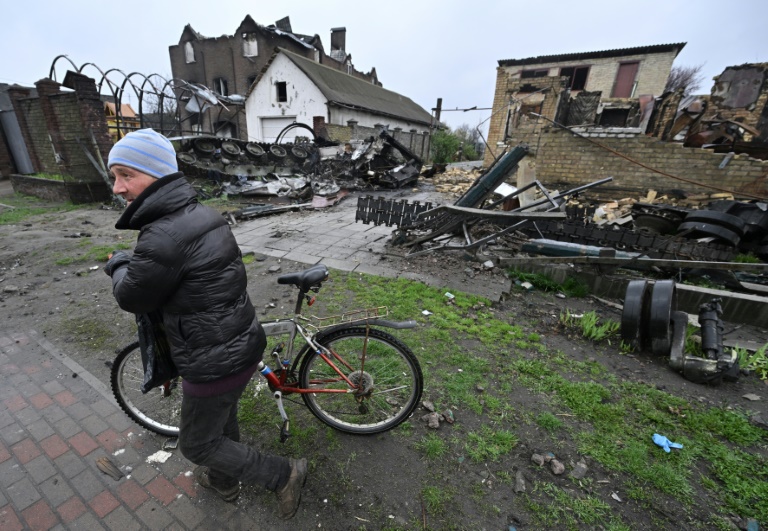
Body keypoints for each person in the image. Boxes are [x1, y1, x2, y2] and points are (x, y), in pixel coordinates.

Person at [103, 129, 307, 519]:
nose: (118, 188)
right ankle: (224, 481)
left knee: (196, 445)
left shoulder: (163, 235)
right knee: (220, 419)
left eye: (126, 175)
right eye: (114, 176)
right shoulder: (202, 215)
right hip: (241, 343)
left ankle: (282, 475)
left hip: (213, 360)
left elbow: (132, 297)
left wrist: (118, 264)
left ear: (157, 174)